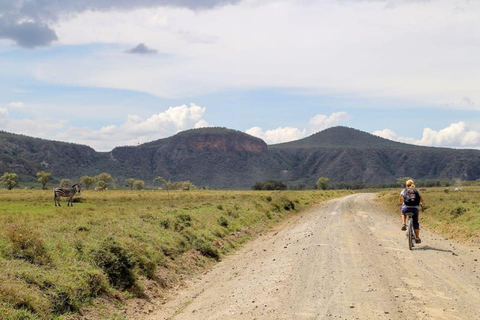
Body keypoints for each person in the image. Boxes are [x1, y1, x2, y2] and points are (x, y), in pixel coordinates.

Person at [398, 179, 424, 243]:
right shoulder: (416, 191)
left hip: (406, 208)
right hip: (414, 209)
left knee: (403, 212)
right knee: (415, 223)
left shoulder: (404, 190)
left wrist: (400, 203)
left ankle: (404, 223)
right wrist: (422, 204)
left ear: (406, 185)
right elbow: (421, 200)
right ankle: (417, 238)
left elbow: (400, 199)